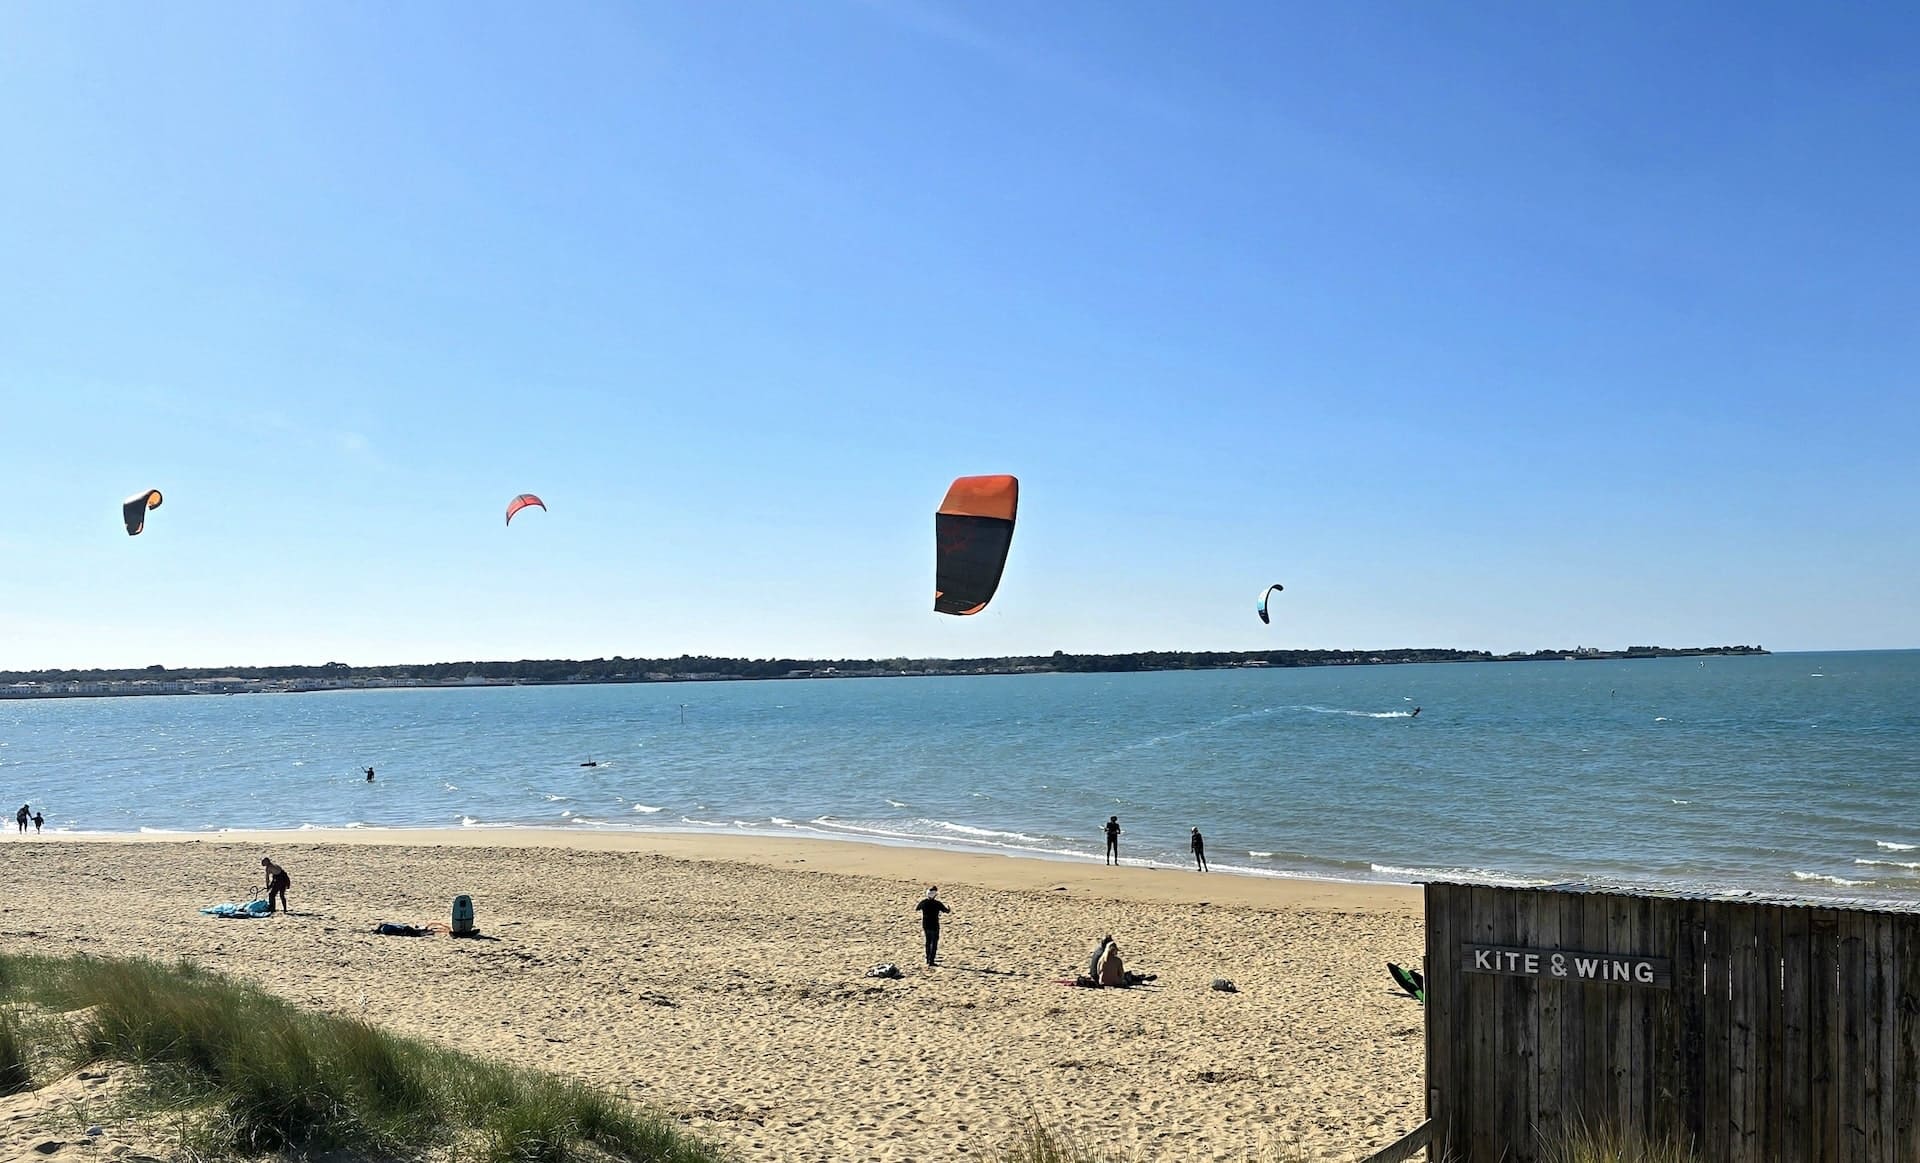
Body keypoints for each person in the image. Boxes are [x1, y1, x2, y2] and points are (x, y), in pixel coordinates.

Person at [914, 886, 950, 967]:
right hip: (934, 926)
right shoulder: (937, 903)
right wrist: (948, 908)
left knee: (928, 942)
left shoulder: (923, 902)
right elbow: (946, 911)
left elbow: (917, 908)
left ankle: (927, 959)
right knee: (934, 944)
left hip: (926, 925)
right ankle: (931, 961)